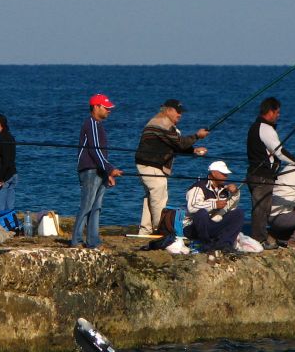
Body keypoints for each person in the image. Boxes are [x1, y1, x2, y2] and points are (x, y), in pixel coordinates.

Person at [134, 99, 208, 235]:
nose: (180, 114)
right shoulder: (163, 123)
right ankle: (160, 229)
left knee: (151, 196)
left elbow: (174, 144)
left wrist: (193, 150)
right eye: (177, 111)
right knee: (159, 196)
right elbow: (179, 143)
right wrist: (197, 136)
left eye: (181, 112)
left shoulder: (162, 123)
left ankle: (145, 230)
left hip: (147, 163)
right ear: (168, 110)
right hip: (151, 164)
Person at [245, 97, 295, 249]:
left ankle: (264, 237)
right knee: (261, 209)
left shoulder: (257, 127)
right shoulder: (265, 128)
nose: (278, 115)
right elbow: (280, 151)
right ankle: (259, 240)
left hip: (259, 175)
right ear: (270, 112)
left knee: (264, 209)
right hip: (261, 176)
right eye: (277, 112)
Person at [71, 94, 123, 250]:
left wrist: (107, 173)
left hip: (99, 171)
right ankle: (76, 240)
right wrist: (110, 169)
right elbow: (95, 151)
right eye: (105, 107)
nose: (109, 110)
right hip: (90, 170)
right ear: (95, 107)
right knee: (87, 205)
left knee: (96, 207)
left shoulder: (98, 125)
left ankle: (93, 241)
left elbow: (99, 153)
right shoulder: (91, 123)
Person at [186, 160, 244, 252]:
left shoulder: (224, 189)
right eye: (223, 173)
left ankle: (224, 244)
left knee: (238, 213)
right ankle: (206, 245)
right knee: (201, 213)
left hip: (213, 224)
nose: (226, 176)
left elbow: (230, 207)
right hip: (195, 227)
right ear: (213, 173)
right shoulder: (199, 187)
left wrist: (235, 193)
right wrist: (214, 204)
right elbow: (192, 207)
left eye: (226, 174)